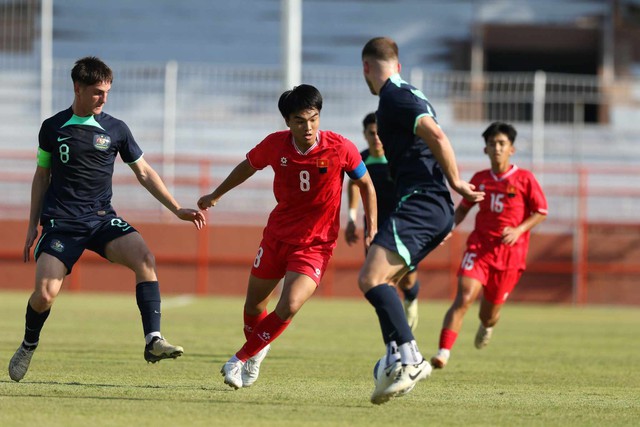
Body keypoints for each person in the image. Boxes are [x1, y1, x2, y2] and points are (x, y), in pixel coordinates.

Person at [8, 56, 206, 382]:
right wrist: (32, 224)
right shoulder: (52, 128)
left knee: (144, 257)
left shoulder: (116, 129)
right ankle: (29, 343)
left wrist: (176, 208)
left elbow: (143, 172)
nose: (104, 98)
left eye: (107, 92)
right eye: (98, 92)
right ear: (78, 88)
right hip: (62, 223)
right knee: (44, 295)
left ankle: (152, 339)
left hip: (101, 220)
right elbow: (41, 176)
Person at [197, 84, 376, 390]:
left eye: (313, 118)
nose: (308, 127)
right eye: (299, 121)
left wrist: (369, 227)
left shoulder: (340, 147)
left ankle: (238, 359)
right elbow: (248, 166)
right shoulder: (275, 145)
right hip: (277, 237)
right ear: (287, 122)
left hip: (316, 244)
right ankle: (257, 351)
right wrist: (216, 194)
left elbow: (366, 185)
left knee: (290, 303)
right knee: (254, 306)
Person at [359, 36, 485, 404]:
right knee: (384, 279)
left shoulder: (395, 96)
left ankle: (410, 357)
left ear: (366, 67)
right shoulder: (404, 91)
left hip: (423, 201)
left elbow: (436, 135)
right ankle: (396, 354)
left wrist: (457, 182)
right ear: (396, 63)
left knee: (370, 277)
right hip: (424, 205)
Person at [430, 122, 548, 369]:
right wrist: (447, 228)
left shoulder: (525, 179)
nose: (497, 148)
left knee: (489, 314)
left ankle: (487, 325)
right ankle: (443, 352)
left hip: (510, 257)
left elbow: (540, 211)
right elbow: (463, 209)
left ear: (511, 149)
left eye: (502, 144)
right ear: (485, 149)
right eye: (492, 144)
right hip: (479, 249)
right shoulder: (480, 179)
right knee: (463, 296)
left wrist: (518, 230)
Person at [345, 112, 421, 331]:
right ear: (365, 134)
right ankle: (396, 328)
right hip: (374, 227)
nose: (376, 137)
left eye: (380, 133)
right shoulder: (361, 159)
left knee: (406, 281)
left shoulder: (398, 157)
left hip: (402, 224)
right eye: (371, 133)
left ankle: (411, 298)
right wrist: (351, 218)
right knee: (378, 278)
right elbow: (353, 185)